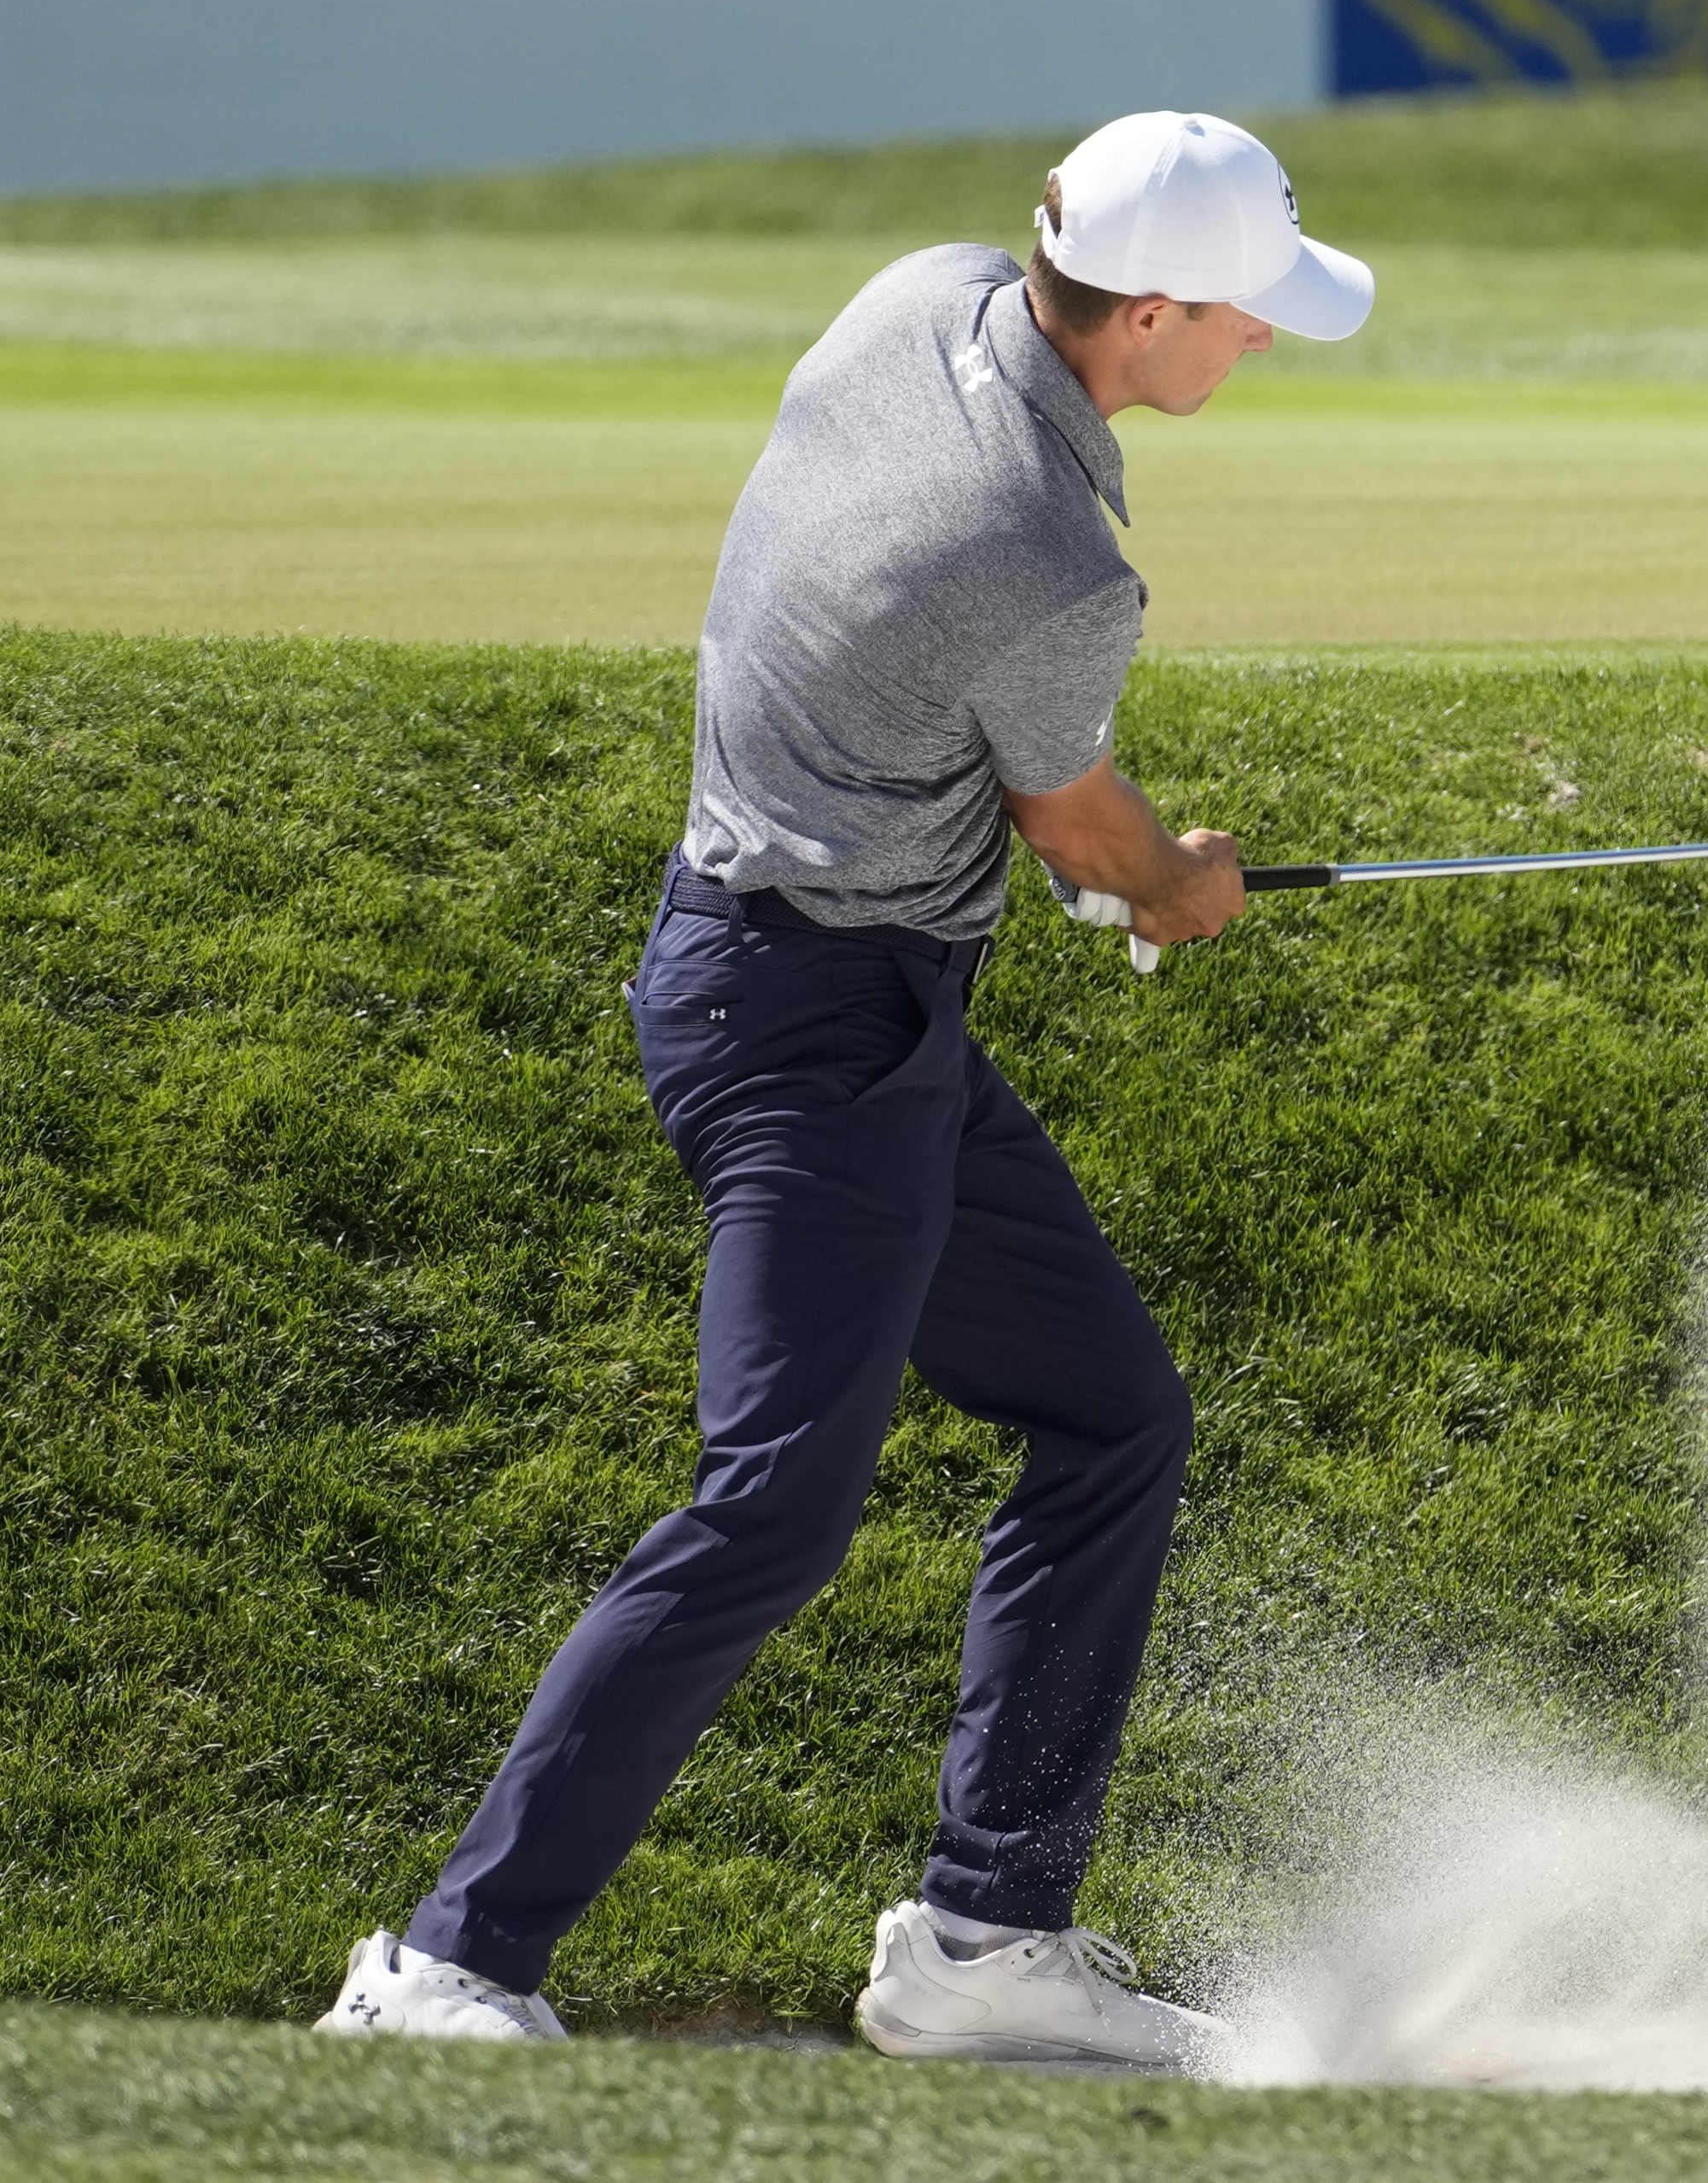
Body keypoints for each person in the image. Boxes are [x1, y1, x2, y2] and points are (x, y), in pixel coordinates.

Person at [316, 113, 1367, 2060]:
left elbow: (951, 715)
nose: (1269, 345)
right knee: (775, 1507)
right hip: (814, 1018)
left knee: (1111, 1410)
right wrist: (1175, 882)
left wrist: (1086, 860)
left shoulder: (927, 296)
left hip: (818, 977)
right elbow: (1090, 831)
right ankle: (446, 1967)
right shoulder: (1052, 560)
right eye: (1249, 316)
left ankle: (984, 1942)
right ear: (1148, 309)